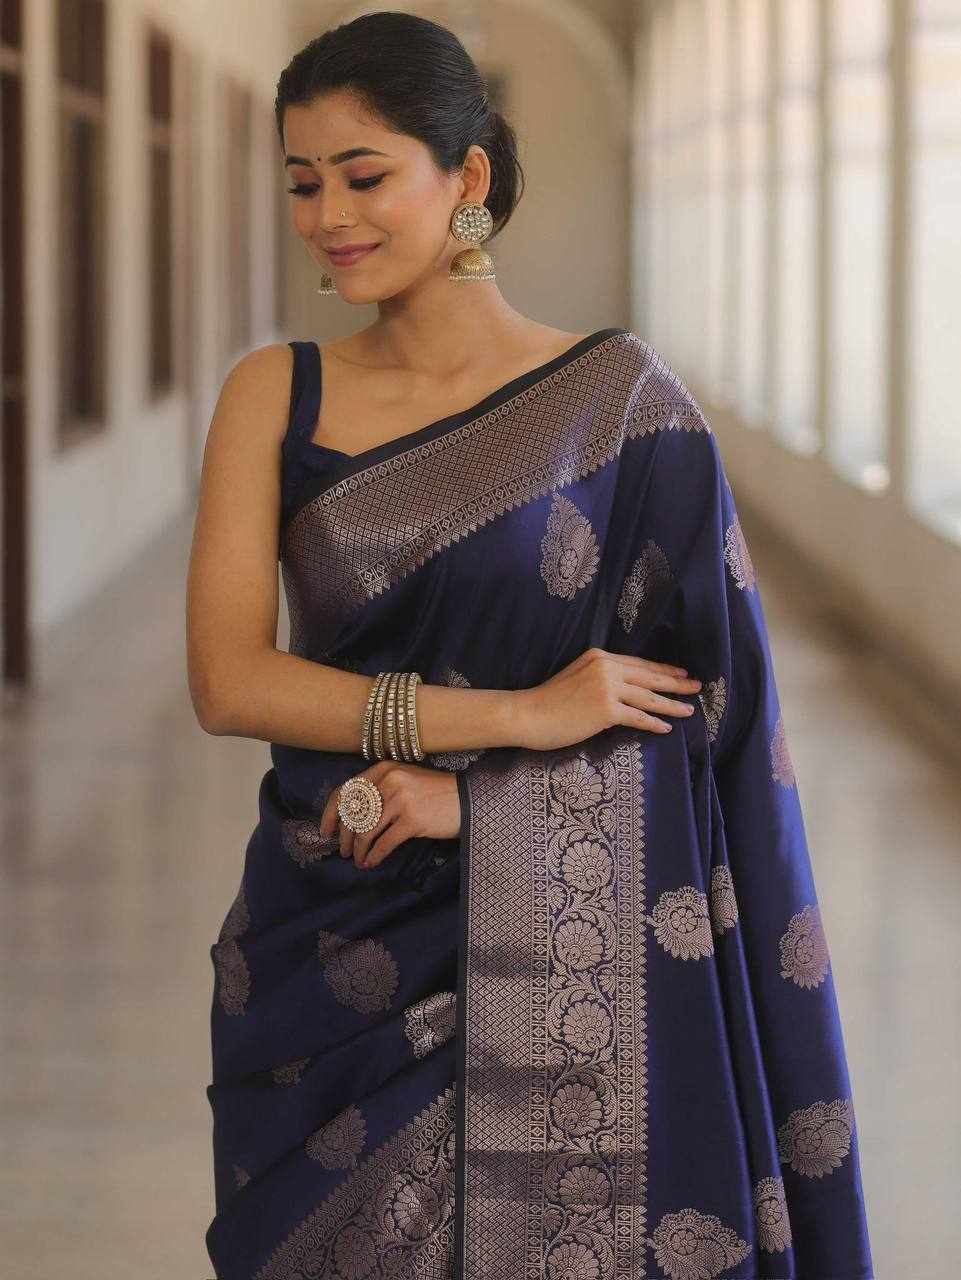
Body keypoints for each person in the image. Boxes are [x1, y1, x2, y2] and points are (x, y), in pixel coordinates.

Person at [186, 12, 874, 1280]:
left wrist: (477, 801)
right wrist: (511, 718)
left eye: (364, 175)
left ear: (468, 177)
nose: (328, 215)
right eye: (302, 182)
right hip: (328, 933)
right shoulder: (273, 392)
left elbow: (708, 723)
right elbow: (230, 681)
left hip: (563, 940)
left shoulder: (624, 410)